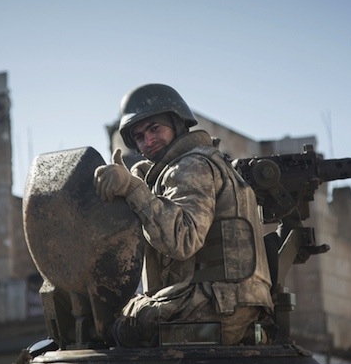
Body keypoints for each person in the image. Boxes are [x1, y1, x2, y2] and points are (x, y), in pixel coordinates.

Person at [93, 83, 274, 347]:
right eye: (140, 136)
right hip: (232, 309)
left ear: (177, 124)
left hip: (214, 314)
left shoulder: (190, 165)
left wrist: (133, 189)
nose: (149, 140)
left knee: (114, 328)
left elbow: (182, 239)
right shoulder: (200, 162)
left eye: (155, 129)